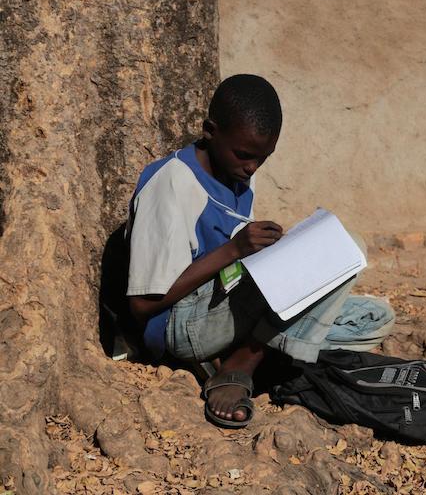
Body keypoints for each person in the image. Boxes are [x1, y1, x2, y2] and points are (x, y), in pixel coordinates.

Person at [125, 74, 394, 428]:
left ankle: (254, 353)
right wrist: (235, 250)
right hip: (181, 326)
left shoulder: (236, 175)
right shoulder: (172, 183)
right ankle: (243, 364)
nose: (252, 167)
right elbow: (142, 306)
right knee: (349, 245)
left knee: (373, 317)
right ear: (210, 130)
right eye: (245, 155)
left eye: (262, 158)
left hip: (219, 308)